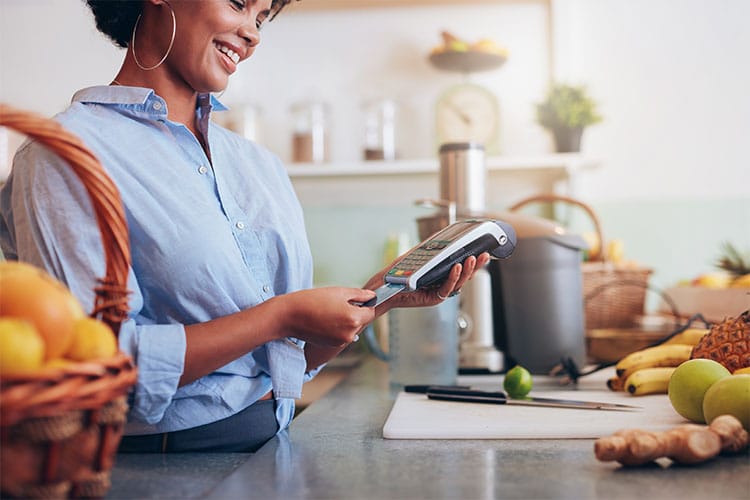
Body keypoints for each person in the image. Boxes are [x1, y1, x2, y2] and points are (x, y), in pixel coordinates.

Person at [0, 0, 489, 453]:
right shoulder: (65, 154)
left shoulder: (258, 165)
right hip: (156, 464)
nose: (252, 34)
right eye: (238, 3)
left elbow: (286, 357)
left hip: (272, 444)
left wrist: (382, 297)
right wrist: (280, 316)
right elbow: (97, 367)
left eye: (262, 16)